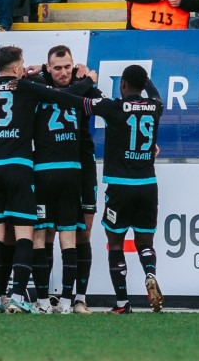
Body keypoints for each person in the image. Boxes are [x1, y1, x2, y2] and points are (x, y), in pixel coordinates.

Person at [0, 46, 93, 314]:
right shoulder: (26, 88)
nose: (23, 68)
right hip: (20, 168)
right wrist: (89, 79)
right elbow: (67, 96)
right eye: (21, 64)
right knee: (25, 234)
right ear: (15, 68)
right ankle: (19, 295)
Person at [19, 64, 165, 314]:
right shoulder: (156, 107)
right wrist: (146, 80)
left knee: (116, 244)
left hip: (120, 186)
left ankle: (122, 303)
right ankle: (150, 273)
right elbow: (155, 95)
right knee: (145, 241)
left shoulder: (111, 107)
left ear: (122, 85)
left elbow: (68, 98)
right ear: (144, 86)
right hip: (148, 186)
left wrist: (30, 85)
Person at [25, 47, 98, 314]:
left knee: (83, 233)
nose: (64, 72)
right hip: (49, 168)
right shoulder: (39, 86)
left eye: (68, 66)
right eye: (57, 68)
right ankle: (45, 298)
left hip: (81, 166)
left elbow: (113, 110)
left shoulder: (82, 86)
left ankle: (79, 298)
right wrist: (89, 76)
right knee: (45, 233)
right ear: (49, 68)